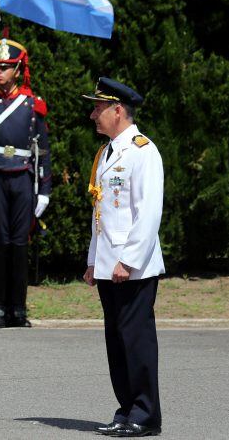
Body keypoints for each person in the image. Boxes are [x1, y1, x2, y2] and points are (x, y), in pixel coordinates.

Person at [82, 77, 164, 437]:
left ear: (118, 110)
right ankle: (127, 408)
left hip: (134, 267)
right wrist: (92, 260)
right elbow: (101, 213)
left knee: (136, 340)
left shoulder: (143, 151)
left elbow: (148, 212)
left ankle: (146, 414)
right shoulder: (107, 152)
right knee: (116, 341)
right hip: (107, 265)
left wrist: (127, 261)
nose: (92, 114)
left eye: (98, 107)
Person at [0, 38, 51, 328]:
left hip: (22, 177)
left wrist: (45, 190)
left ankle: (19, 310)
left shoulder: (31, 104)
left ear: (18, 69)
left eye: (5, 67)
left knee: (19, 245)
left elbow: (42, 149)